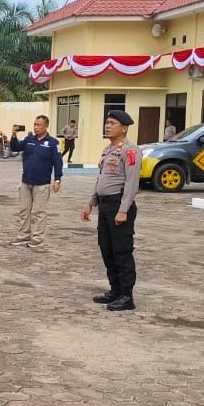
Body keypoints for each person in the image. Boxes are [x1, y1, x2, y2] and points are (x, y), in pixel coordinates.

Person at [81, 110, 141, 311]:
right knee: (107, 249)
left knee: (121, 251)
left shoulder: (130, 151)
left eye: (112, 123)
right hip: (105, 205)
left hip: (118, 205)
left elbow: (132, 183)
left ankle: (126, 296)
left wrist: (123, 210)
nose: (107, 126)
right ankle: (115, 290)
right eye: (107, 122)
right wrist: (91, 202)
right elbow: (101, 179)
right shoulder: (108, 150)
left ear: (124, 128)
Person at [8, 115, 63, 248]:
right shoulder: (29, 140)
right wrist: (14, 135)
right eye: (35, 124)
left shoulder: (52, 143)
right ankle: (23, 236)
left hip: (42, 184)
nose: (36, 127)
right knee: (23, 210)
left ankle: (38, 238)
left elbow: (58, 162)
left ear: (46, 126)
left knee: (39, 212)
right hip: (26, 181)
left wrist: (57, 179)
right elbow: (15, 147)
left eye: (39, 125)